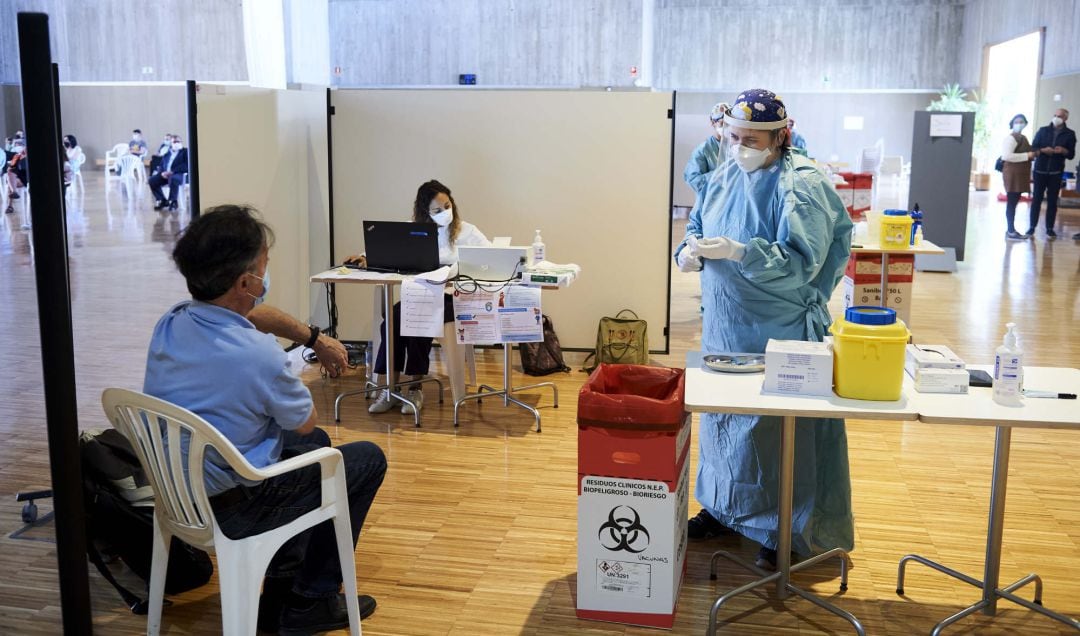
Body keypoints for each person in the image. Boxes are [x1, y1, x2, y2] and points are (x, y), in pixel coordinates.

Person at [143, 204, 386, 634]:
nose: (267, 274)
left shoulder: (173, 320)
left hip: (177, 490)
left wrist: (315, 337)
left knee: (315, 449)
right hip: (232, 507)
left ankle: (283, 580)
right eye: (264, 266)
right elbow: (304, 420)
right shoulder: (259, 356)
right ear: (246, 282)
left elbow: (253, 318)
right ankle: (311, 599)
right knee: (363, 458)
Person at [674, 89, 854, 569]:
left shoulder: (802, 184)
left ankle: (785, 528)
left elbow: (801, 264)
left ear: (781, 137)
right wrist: (689, 252)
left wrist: (740, 251)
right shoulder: (725, 173)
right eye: (732, 137)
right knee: (724, 425)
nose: (739, 147)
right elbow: (696, 223)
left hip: (780, 327)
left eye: (750, 139)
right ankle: (724, 510)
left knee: (777, 434)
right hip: (725, 326)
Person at [345, 180, 490, 414]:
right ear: (425, 212)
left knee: (419, 317)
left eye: (447, 205)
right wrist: (364, 256)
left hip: (453, 298)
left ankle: (415, 386)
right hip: (421, 293)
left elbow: (489, 258)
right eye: (437, 210)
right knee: (393, 318)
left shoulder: (468, 231)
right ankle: (390, 388)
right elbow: (388, 246)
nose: (445, 212)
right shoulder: (413, 230)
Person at [1028, 108, 1075, 239]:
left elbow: (1071, 155)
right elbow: (1034, 147)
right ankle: (1032, 227)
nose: (1056, 117)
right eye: (1054, 115)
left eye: (1059, 116)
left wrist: (1064, 151)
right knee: (1036, 199)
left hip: (1056, 172)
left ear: (1065, 118)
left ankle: (1049, 228)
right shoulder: (1043, 130)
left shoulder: (1070, 134)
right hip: (1040, 170)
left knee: (1052, 201)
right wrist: (1043, 150)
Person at [1000, 114, 1037, 240]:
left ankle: (1011, 230)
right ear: (1012, 123)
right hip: (1012, 174)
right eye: (1017, 121)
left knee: (1014, 201)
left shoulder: (1022, 137)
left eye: (1022, 121)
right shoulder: (1011, 138)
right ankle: (1010, 231)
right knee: (1011, 202)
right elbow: (1006, 156)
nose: (1019, 124)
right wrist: (1027, 155)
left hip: (1019, 174)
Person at [683, 101, 728, 195]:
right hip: (711, 201)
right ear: (713, 122)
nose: (727, 127)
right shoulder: (703, 150)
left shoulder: (736, 146)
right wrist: (721, 174)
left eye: (729, 124)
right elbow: (693, 180)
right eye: (722, 123)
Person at [149, 135, 188, 211]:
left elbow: (186, 165)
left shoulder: (185, 152)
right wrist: (162, 173)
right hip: (165, 175)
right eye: (174, 142)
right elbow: (161, 165)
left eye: (178, 141)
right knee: (152, 180)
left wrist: (172, 172)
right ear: (171, 143)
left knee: (173, 178)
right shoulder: (167, 153)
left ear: (181, 142)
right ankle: (162, 200)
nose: (176, 143)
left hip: (178, 174)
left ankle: (173, 201)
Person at [4, 138, 27, 214]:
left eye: (21, 144)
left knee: (11, 183)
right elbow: (12, 168)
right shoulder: (17, 156)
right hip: (22, 179)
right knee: (10, 177)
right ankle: (13, 194)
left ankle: (10, 205)